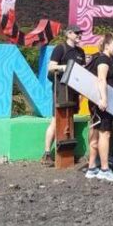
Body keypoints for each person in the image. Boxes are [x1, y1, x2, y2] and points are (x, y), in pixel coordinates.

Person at [42, 25, 86, 166]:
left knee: (69, 120)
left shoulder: (81, 52)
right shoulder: (60, 48)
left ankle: (67, 153)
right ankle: (47, 153)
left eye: (81, 33)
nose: (80, 35)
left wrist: (81, 93)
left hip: (73, 91)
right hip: (61, 90)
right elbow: (51, 67)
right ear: (69, 34)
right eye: (77, 33)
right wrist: (65, 67)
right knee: (56, 120)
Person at [85, 34, 113, 182]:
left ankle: (91, 168)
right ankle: (105, 169)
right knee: (104, 134)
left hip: (97, 103)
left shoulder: (105, 59)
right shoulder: (103, 60)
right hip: (101, 103)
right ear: (106, 46)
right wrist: (104, 99)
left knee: (95, 134)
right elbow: (101, 79)